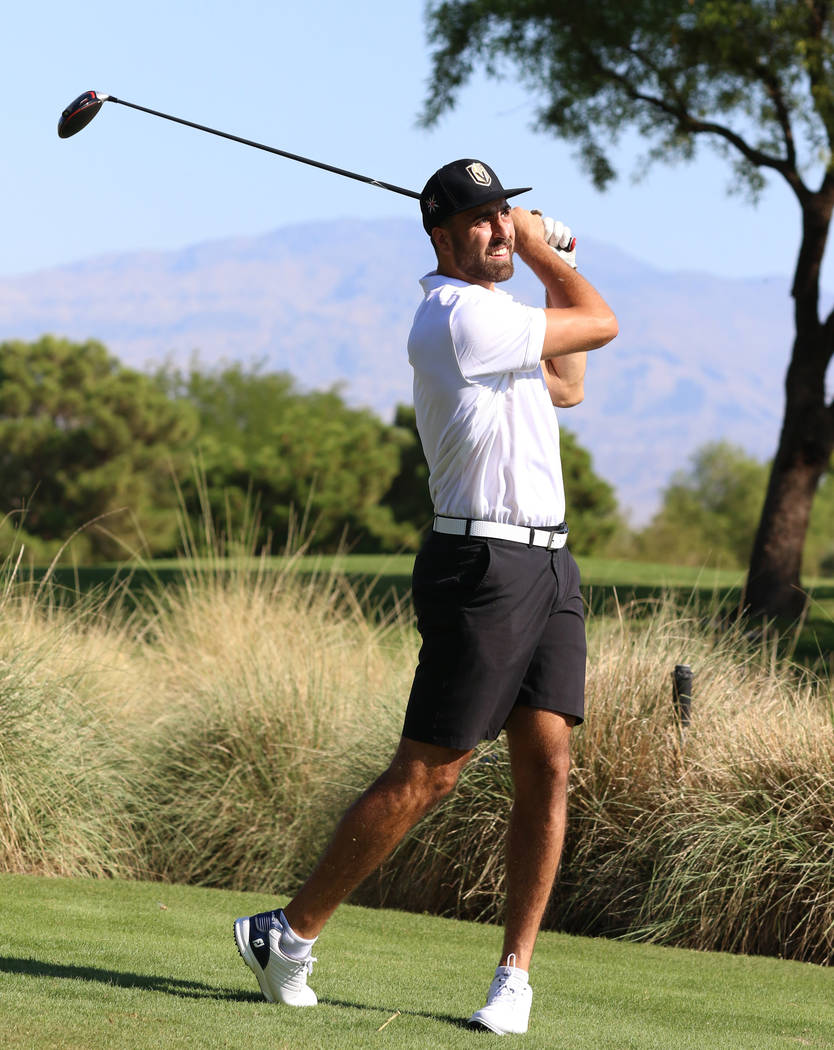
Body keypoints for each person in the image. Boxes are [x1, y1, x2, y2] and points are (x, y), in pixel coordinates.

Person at [234, 158, 618, 1035]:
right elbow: (604, 322)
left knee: (548, 765)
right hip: (480, 564)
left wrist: (541, 260)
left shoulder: (503, 322)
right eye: (483, 221)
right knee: (431, 774)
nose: (499, 230)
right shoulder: (454, 317)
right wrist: (546, 248)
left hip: (549, 565)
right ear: (443, 237)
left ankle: (513, 978)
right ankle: (286, 935)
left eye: (505, 214)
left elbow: (572, 380)